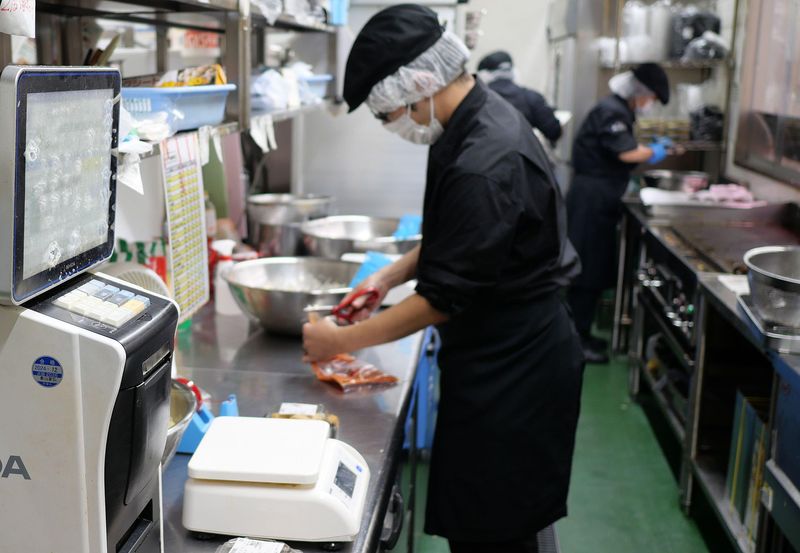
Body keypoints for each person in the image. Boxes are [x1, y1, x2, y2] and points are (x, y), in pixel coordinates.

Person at [302, 5, 585, 553]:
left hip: (515, 366)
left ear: (419, 85)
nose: (393, 126)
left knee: (497, 531)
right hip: (500, 352)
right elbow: (458, 235)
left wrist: (338, 341)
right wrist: (388, 276)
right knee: (497, 518)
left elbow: (441, 299)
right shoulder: (470, 120)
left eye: (389, 114)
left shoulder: (485, 159)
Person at [566, 63, 679, 364]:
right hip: (591, 200)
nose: (649, 104)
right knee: (586, 271)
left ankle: (581, 334)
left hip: (599, 198)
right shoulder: (612, 111)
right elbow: (626, 152)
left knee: (593, 269)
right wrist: (655, 151)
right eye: (651, 98)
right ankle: (575, 341)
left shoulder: (618, 110)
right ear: (640, 92)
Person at [477, 50, 562, 145]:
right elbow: (554, 132)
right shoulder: (532, 98)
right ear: (514, 72)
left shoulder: (476, 101)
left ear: (482, 76)